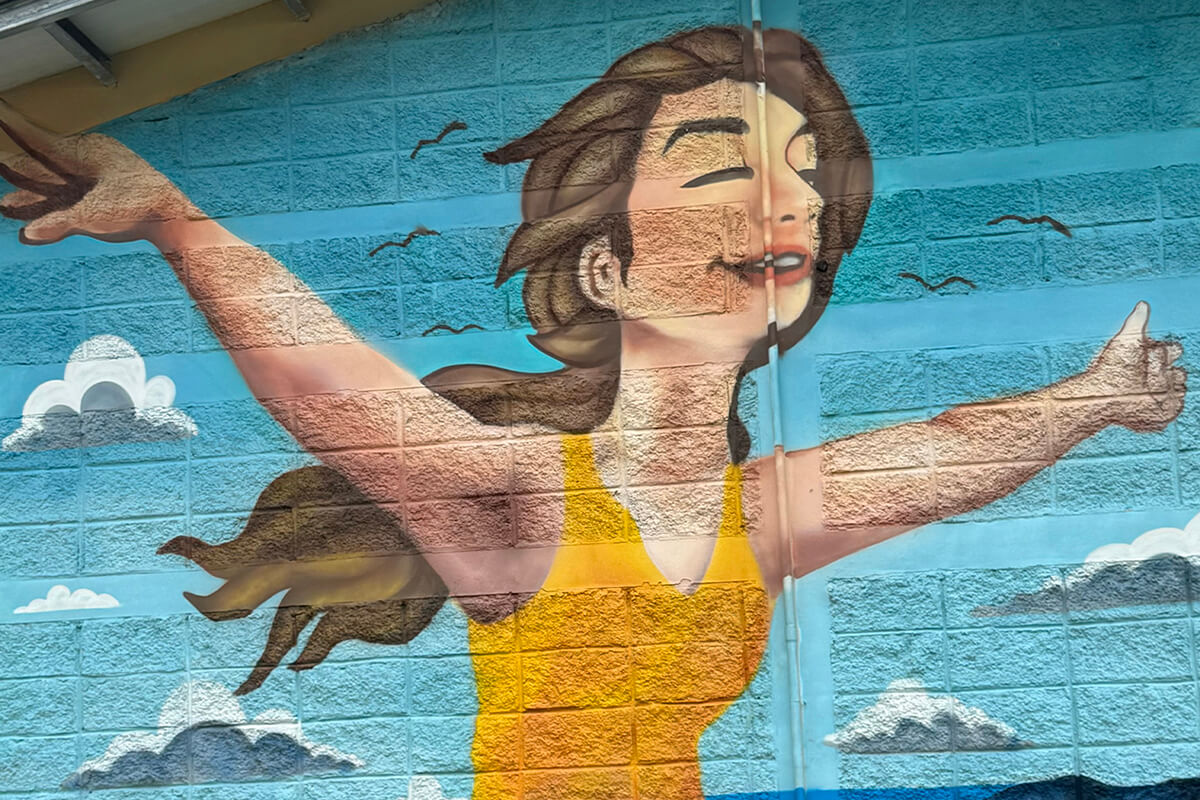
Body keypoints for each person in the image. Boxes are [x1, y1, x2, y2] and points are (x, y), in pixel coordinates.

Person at [0, 25, 1185, 800]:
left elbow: (943, 454)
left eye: (804, 176)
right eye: (723, 164)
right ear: (607, 270)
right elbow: (337, 390)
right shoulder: (518, 495)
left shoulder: (756, 515)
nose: (785, 201)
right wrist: (178, 224)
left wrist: (1097, 395)